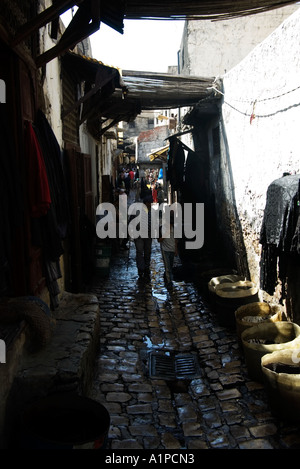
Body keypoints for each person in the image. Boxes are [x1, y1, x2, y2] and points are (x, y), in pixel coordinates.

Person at [134, 194, 153, 279]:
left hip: (149, 234)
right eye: (149, 203)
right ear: (145, 203)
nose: (150, 204)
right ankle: (141, 268)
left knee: (147, 251)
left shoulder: (152, 212)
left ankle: (146, 267)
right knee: (139, 251)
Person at [158, 211, 178, 288]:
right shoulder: (162, 228)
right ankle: (169, 282)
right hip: (165, 249)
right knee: (167, 267)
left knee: (170, 266)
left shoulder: (175, 228)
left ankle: (167, 277)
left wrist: (176, 249)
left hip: (172, 249)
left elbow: (176, 239)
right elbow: (159, 240)